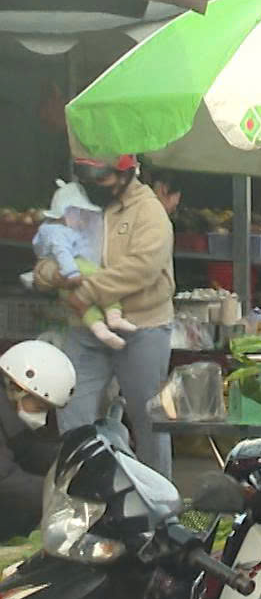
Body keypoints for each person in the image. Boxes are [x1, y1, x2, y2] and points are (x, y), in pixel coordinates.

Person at [51, 156, 175, 479]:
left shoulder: (149, 211)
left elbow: (142, 268)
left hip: (142, 326)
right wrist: (51, 273)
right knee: (72, 411)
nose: (94, 187)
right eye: (88, 179)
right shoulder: (74, 200)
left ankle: (160, 510)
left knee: (149, 422)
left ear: (125, 174)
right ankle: (78, 499)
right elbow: (49, 245)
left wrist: (88, 291)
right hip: (85, 328)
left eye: (101, 180)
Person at [28, 180, 137, 350]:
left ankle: (99, 328)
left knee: (83, 305)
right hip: (71, 269)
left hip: (66, 280)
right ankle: (113, 314)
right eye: (78, 213)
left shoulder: (56, 230)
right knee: (101, 280)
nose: (82, 218)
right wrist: (72, 273)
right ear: (65, 213)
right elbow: (62, 253)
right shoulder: (57, 233)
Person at [0, 340, 74, 540]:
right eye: (40, 407)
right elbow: (6, 482)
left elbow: (27, 449)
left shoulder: (8, 416)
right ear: (17, 389)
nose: (42, 417)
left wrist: (72, 457)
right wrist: (62, 494)